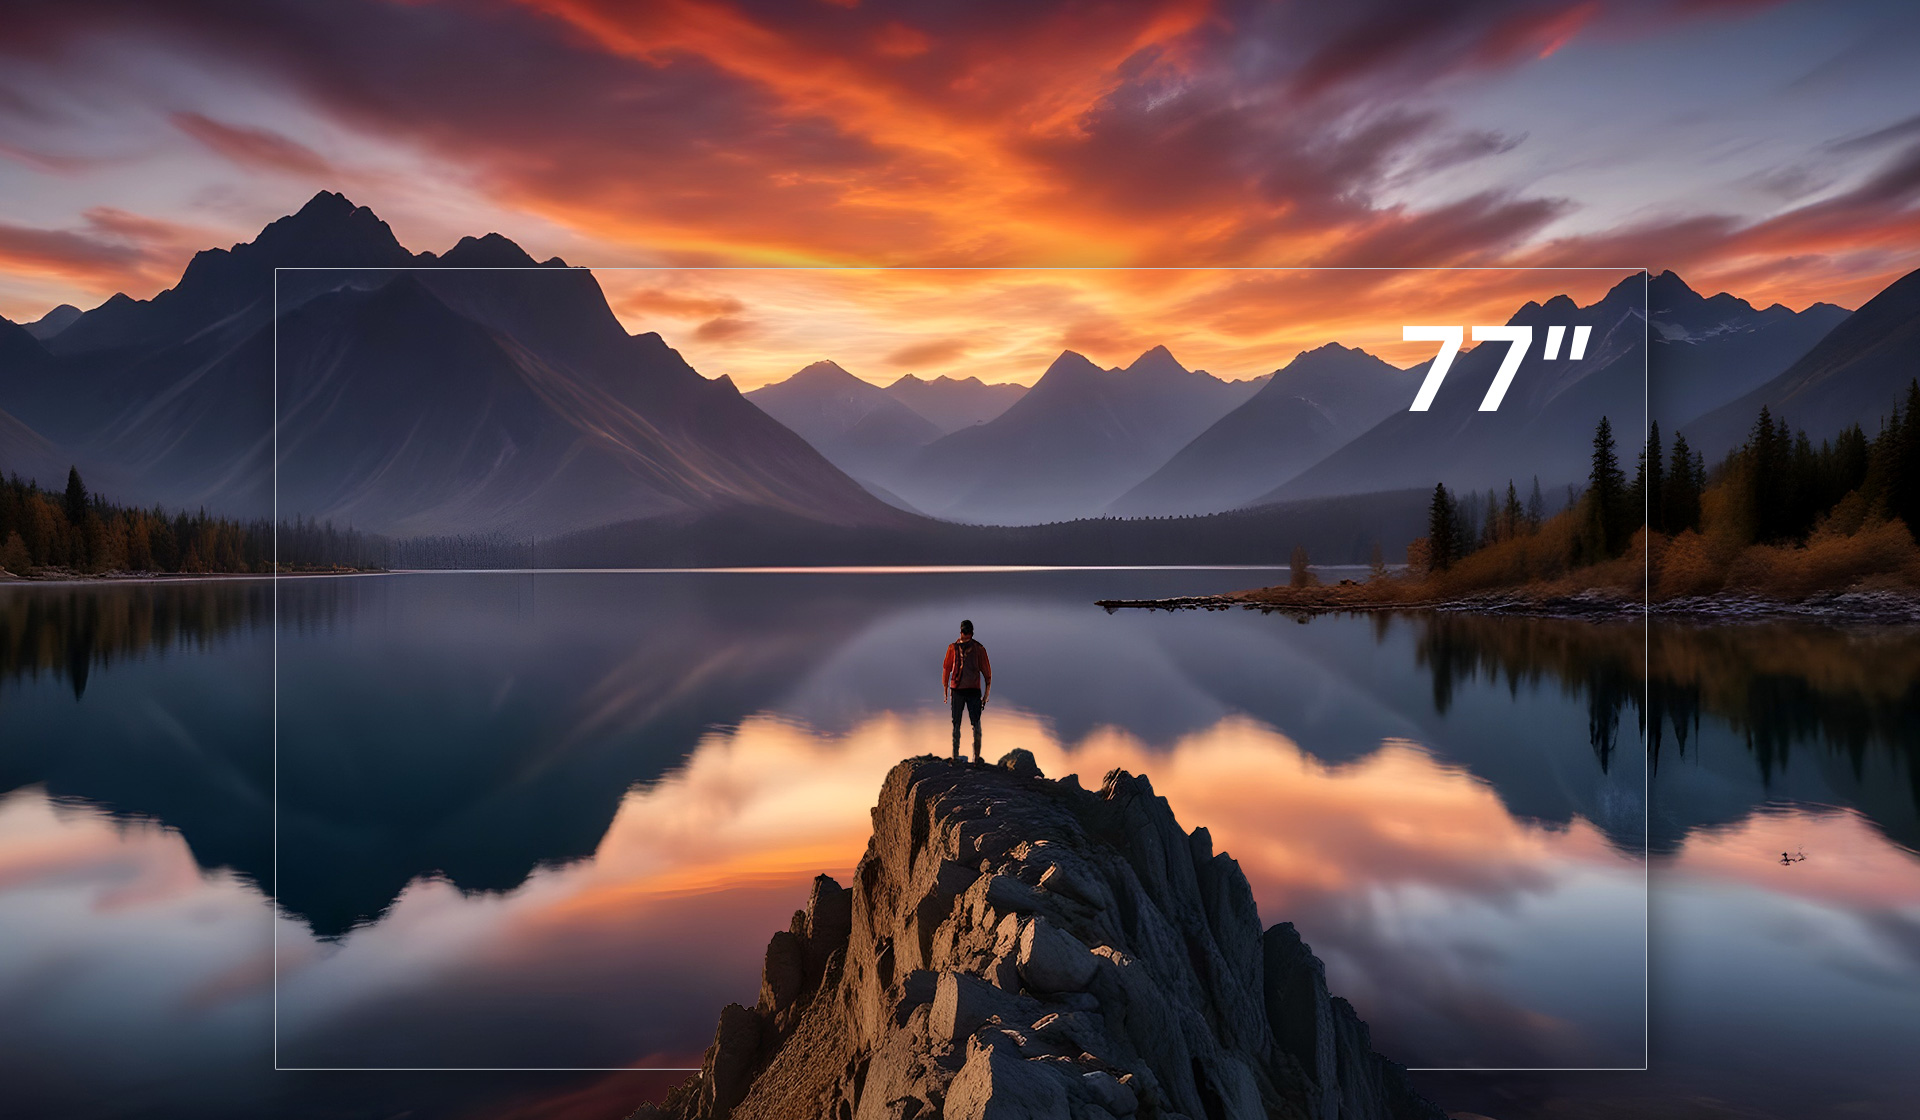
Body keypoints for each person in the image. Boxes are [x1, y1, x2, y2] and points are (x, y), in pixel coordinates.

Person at [942, 619, 992, 762]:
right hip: (973, 689)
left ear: (961, 631)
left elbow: (946, 668)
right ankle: (976, 758)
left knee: (956, 723)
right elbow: (987, 674)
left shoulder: (953, 647)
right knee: (976, 724)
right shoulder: (979, 648)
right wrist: (986, 695)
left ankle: (955, 756)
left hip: (957, 689)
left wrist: (945, 689)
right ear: (972, 632)